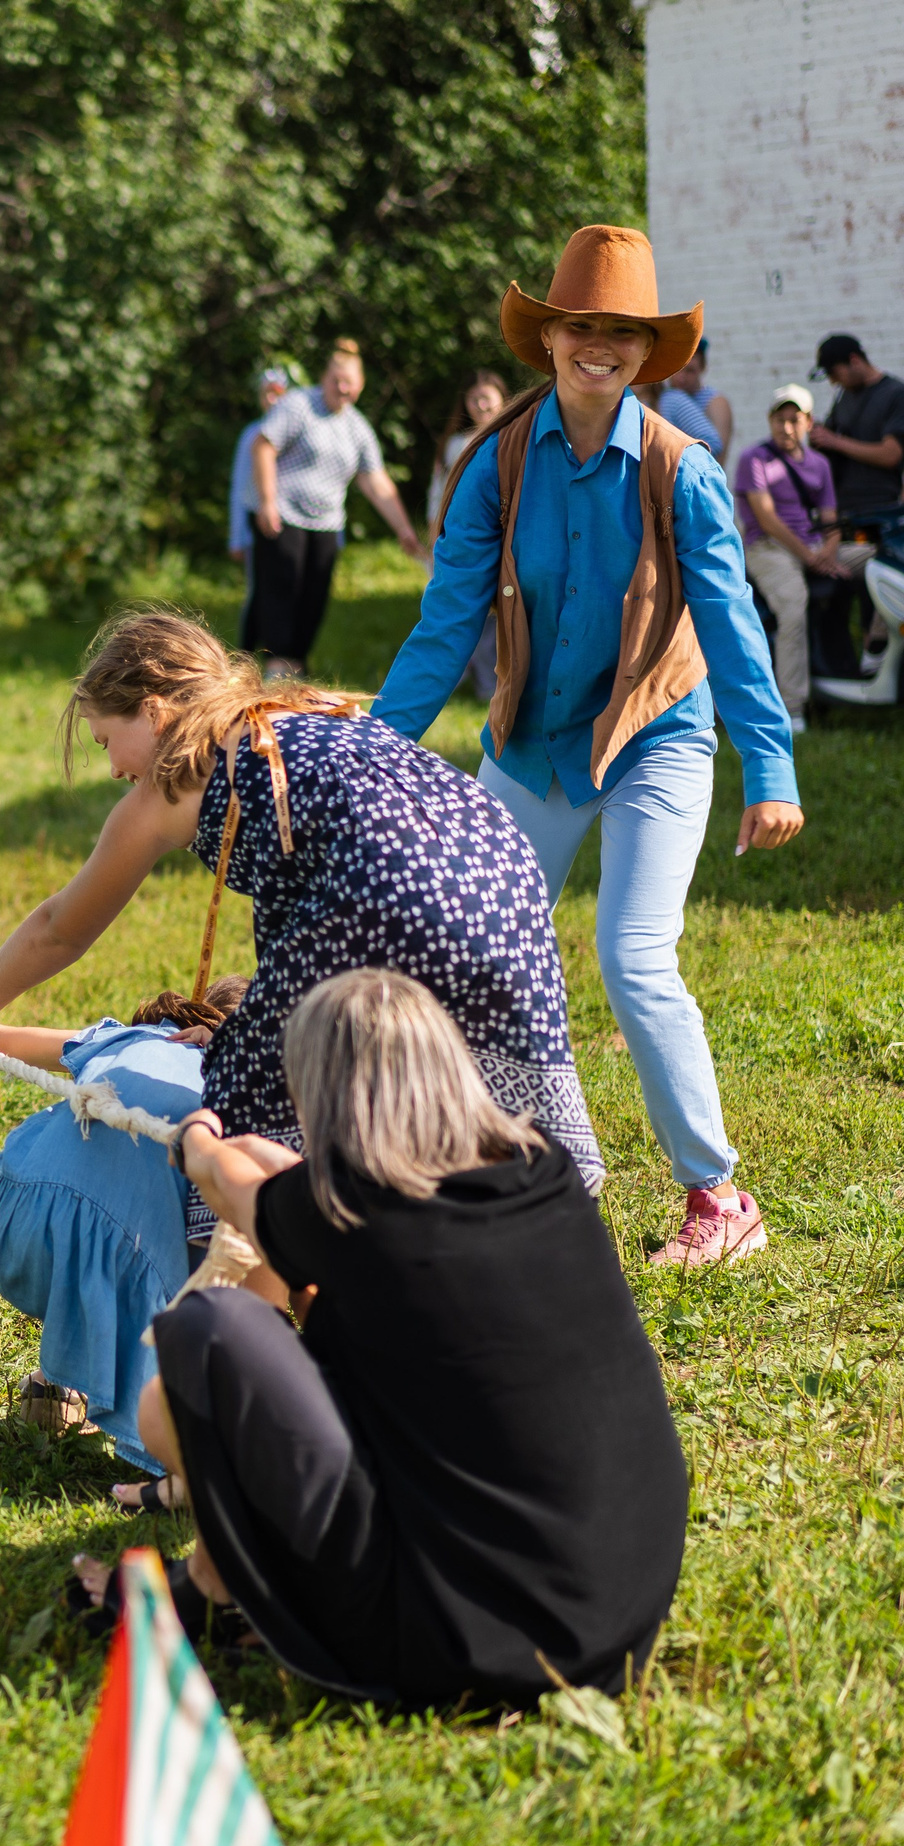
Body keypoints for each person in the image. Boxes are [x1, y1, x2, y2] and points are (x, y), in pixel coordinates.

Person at [73, 970, 687, 1710]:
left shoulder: (344, 1211)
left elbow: (225, 1182)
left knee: (212, 1330)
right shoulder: (543, 1173)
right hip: (620, 1620)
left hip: (458, 1647)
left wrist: (201, 1137)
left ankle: (209, 1592)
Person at [376, 224, 799, 1268]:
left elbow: (732, 627)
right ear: (550, 337)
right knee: (467, 946)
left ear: (648, 351)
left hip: (657, 735)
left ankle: (718, 1197)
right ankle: (485, 1167)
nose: (598, 345)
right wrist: (372, 754)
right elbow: (446, 623)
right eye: (580, 327)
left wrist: (770, 767)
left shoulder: (681, 470)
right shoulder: (497, 463)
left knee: (632, 955)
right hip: (533, 741)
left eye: (622, 331)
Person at [0, 606, 600, 1192]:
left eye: (107, 740)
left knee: (247, 1097)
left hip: (389, 896)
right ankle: (528, 1201)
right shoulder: (297, 713)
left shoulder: (171, 782)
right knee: (439, 1075)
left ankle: (268, 1255)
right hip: (502, 874)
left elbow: (59, 928)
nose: (112, 768)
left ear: (155, 713)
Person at [0, 978, 249, 1476]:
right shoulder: (255, 1089)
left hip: (10, 1227)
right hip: (124, 1285)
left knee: (24, 1163)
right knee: (163, 1232)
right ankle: (57, 1385)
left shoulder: (123, 1037)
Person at [247, 340, 429, 675]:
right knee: (282, 590)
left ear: (361, 386)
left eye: (350, 383)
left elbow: (375, 481)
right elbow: (263, 446)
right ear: (324, 378)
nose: (343, 388)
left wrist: (404, 530)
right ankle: (275, 666)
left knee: (314, 598)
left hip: (327, 523)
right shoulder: (298, 405)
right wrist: (267, 501)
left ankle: (296, 666)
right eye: (337, 380)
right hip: (284, 515)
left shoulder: (357, 427)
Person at [735, 385, 847, 726]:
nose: (785, 427)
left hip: (816, 547)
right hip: (768, 548)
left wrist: (828, 552)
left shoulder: (819, 463)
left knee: (878, 562)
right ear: (769, 420)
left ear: (809, 422)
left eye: (794, 420)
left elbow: (831, 520)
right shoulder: (754, 459)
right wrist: (812, 558)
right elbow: (767, 519)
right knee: (793, 607)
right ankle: (793, 709)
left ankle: (873, 652)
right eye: (779, 419)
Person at [427, 370, 511, 699]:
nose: (480, 405)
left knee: (497, 614)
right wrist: (434, 533)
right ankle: (455, 676)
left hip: (502, 539)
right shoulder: (456, 445)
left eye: (486, 397)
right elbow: (438, 494)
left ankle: (491, 685)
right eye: (473, 399)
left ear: (502, 399)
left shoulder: (513, 438)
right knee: (461, 606)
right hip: (462, 538)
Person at [229, 365, 295, 653]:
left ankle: (285, 655)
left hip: (290, 525)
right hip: (258, 522)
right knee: (258, 590)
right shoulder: (252, 435)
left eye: (278, 392)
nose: (272, 399)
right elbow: (240, 487)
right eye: (266, 393)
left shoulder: (296, 430)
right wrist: (237, 536)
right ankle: (246, 653)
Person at [810, 333, 904, 516]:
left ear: (854, 360)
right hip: (842, 506)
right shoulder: (844, 396)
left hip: (881, 507)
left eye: (834, 373)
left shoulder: (895, 394)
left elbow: (891, 455)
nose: (833, 381)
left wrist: (835, 441)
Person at [648, 339, 729, 462]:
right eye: (677, 369)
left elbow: (717, 454)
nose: (681, 378)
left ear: (703, 368)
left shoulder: (714, 402)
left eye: (690, 371)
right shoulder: (664, 398)